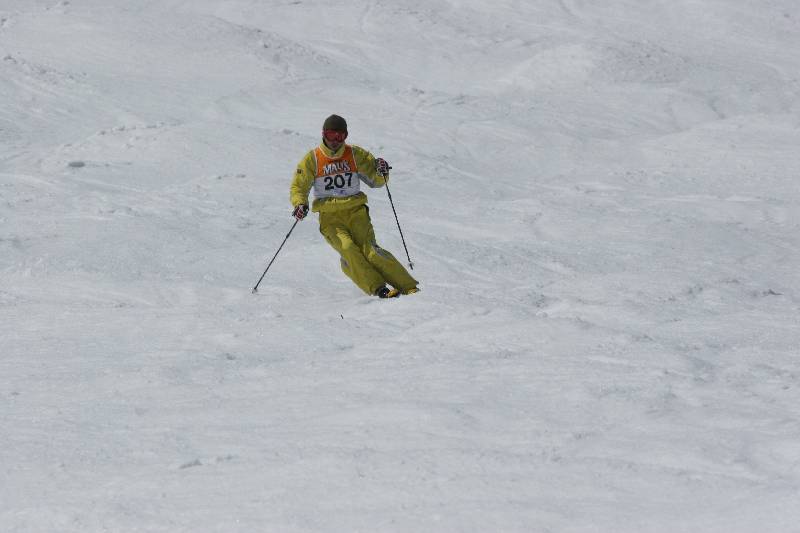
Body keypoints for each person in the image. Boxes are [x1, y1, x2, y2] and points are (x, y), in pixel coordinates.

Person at [289, 114, 419, 299]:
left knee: (371, 252)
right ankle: (379, 288)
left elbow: (376, 181)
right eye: (331, 135)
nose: (335, 141)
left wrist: (381, 171)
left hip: (356, 212)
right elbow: (298, 186)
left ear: (346, 136)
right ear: (323, 134)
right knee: (348, 248)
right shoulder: (313, 159)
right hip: (330, 217)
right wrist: (300, 204)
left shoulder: (355, 154)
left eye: (340, 136)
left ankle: (409, 287)